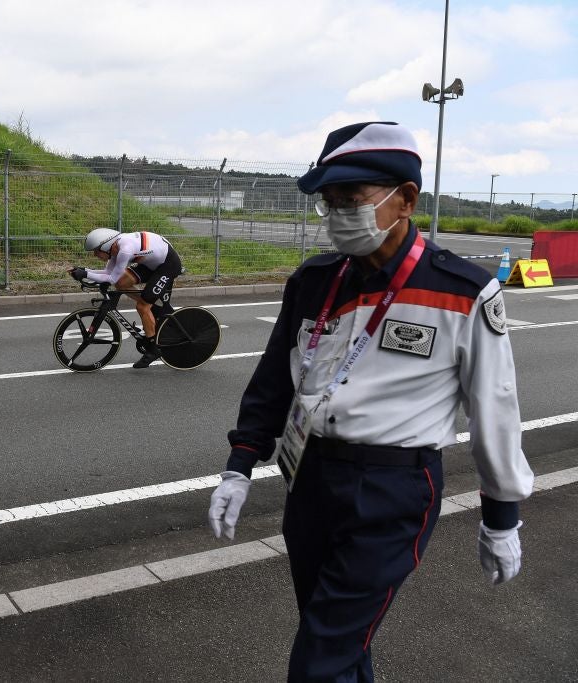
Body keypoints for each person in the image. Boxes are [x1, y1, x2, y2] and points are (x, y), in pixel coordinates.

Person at [206, 121, 534, 682]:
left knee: (320, 659)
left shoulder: (462, 292)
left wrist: (501, 515)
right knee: (333, 634)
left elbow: (495, 410)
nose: (336, 216)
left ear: (405, 199)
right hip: (309, 478)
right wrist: (240, 466)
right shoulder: (314, 280)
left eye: (351, 201)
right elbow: (273, 381)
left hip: (392, 491)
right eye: (328, 204)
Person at [70, 228, 183, 368]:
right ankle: (151, 306)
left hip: (168, 265)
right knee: (122, 283)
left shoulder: (124, 250)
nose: (94, 254)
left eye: (96, 250)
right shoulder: (115, 248)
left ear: (105, 246)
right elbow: (108, 272)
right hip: (151, 264)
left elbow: (110, 278)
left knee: (142, 306)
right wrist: (84, 271)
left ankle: (154, 350)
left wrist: (85, 274)